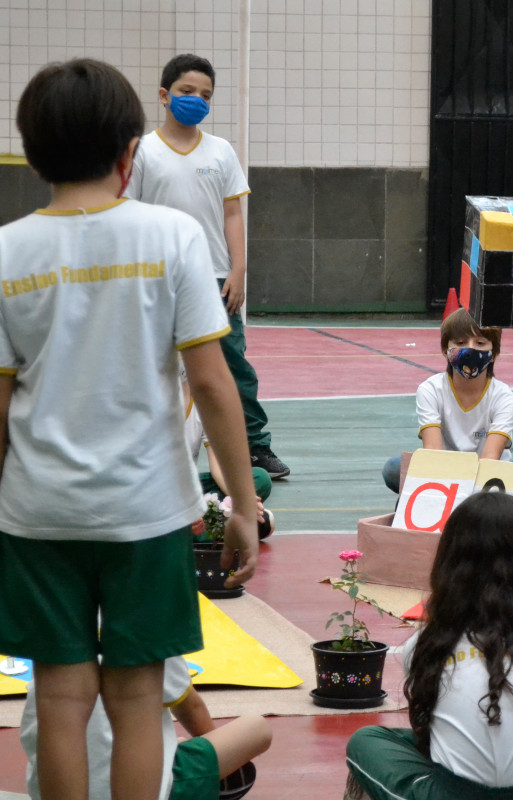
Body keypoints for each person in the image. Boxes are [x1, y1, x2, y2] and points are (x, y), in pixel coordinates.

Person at [0, 59, 258, 800]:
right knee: (140, 696)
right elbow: (212, 384)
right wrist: (242, 505)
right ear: (130, 153)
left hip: (38, 512)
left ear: (33, 154)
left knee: (58, 694)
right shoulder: (172, 237)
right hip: (147, 511)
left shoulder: (7, 251)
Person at [344, 491, 513, 800]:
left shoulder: (425, 646)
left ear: (450, 565)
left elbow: (429, 733)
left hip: (450, 795)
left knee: (367, 740)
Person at [125, 53, 290, 480]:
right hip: (158, 279)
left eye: (205, 95)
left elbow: (233, 214)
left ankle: (253, 445)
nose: (196, 100)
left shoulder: (221, 151)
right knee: (155, 365)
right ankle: (151, 454)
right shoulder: (142, 151)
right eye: (186, 91)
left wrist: (238, 270)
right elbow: (128, 215)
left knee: (232, 364)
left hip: (215, 278)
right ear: (164, 95)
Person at [20, 656, 273, 800]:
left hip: (52, 788)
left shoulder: (55, 627)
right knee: (257, 726)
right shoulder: (144, 623)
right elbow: (193, 710)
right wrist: (217, 761)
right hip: (147, 787)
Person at [381, 309, 513, 493]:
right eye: (460, 343)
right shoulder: (430, 390)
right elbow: (434, 452)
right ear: (445, 351)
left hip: (488, 478)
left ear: (493, 353)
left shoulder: (504, 397)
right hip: (444, 474)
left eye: (480, 343)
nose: (470, 350)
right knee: (394, 468)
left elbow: (490, 459)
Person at [181, 362, 275, 539]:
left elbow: (218, 466)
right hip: (155, 496)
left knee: (260, 478)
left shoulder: (204, 403)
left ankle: (201, 527)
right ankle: (202, 529)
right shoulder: (152, 403)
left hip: (189, 491)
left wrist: (241, 497)